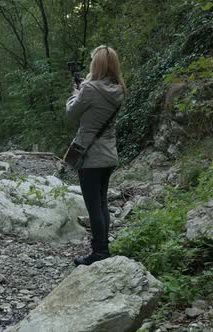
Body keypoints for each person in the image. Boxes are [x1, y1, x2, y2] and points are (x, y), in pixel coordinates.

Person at [66, 45, 126, 266]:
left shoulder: (89, 89)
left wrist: (75, 94)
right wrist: (84, 88)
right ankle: (103, 247)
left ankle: (99, 251)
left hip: (90, 156)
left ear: (96, 64)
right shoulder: (119, 89)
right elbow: (98, 104)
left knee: (94, 206)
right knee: (100, 203)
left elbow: (72, 114)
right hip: (109, 154)